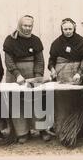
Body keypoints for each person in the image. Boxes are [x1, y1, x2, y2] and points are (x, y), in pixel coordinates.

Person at [3, 15, 51, 143]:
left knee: (37, 101)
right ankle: (22, 132)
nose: (27, 28)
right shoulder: (10, 40)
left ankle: (42, 129)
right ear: (19, 25)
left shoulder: (36, 40)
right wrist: (17, 74)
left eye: (30, 26)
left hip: (32, 73)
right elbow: (8, 61)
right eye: (25, 26)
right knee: (18, 103)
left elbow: (40, 60)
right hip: (15, 76)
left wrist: (37, 76)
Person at [48, 18, 83, 134]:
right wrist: (52, 69)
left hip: (76, 75)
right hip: (61, 74)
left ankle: (77, 129)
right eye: (65, 29)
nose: (67, 31)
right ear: (61, 29)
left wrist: (80, 73)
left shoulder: (81, 42)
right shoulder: (56, 43)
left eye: (70, 29)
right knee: (62, 101)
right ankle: (60, 128)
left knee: (76, 99)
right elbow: (51, 59)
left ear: (74, 28)